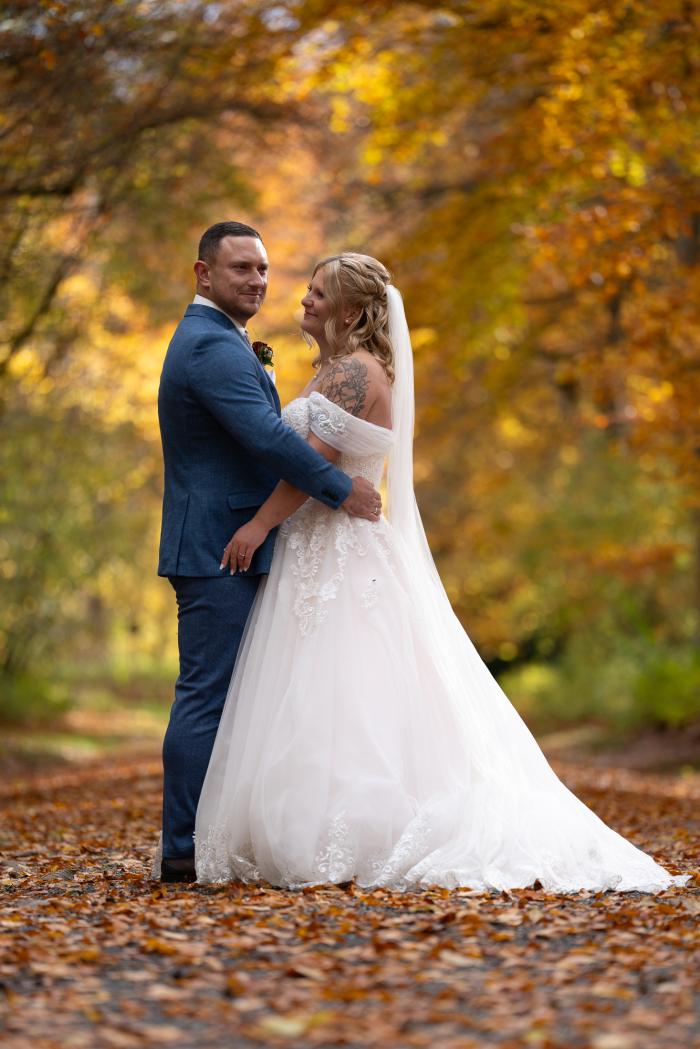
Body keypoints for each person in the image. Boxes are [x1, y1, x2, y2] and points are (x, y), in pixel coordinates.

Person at [194, 252, 689, 893]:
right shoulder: (339, 370)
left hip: (339, 551)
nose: (305, 301)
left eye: (319, 294)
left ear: (349, 311)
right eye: (309, 291)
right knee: (335, 690)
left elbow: (310, 468)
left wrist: (258, 525)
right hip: (323, 548)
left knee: (345, 689)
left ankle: (346, 831)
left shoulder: (350, 373)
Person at [155, 225, 382, 883]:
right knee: (207, 696)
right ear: (203, 273)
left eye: (262, 268)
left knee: (240, 700)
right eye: (240, 268)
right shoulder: (208, 346)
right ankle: (182, 849)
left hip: (237, 541)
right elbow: (263, 436)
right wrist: (342, 489)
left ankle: (215, 837)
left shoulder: (224, 340)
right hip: (218, 546)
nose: (256, 280)